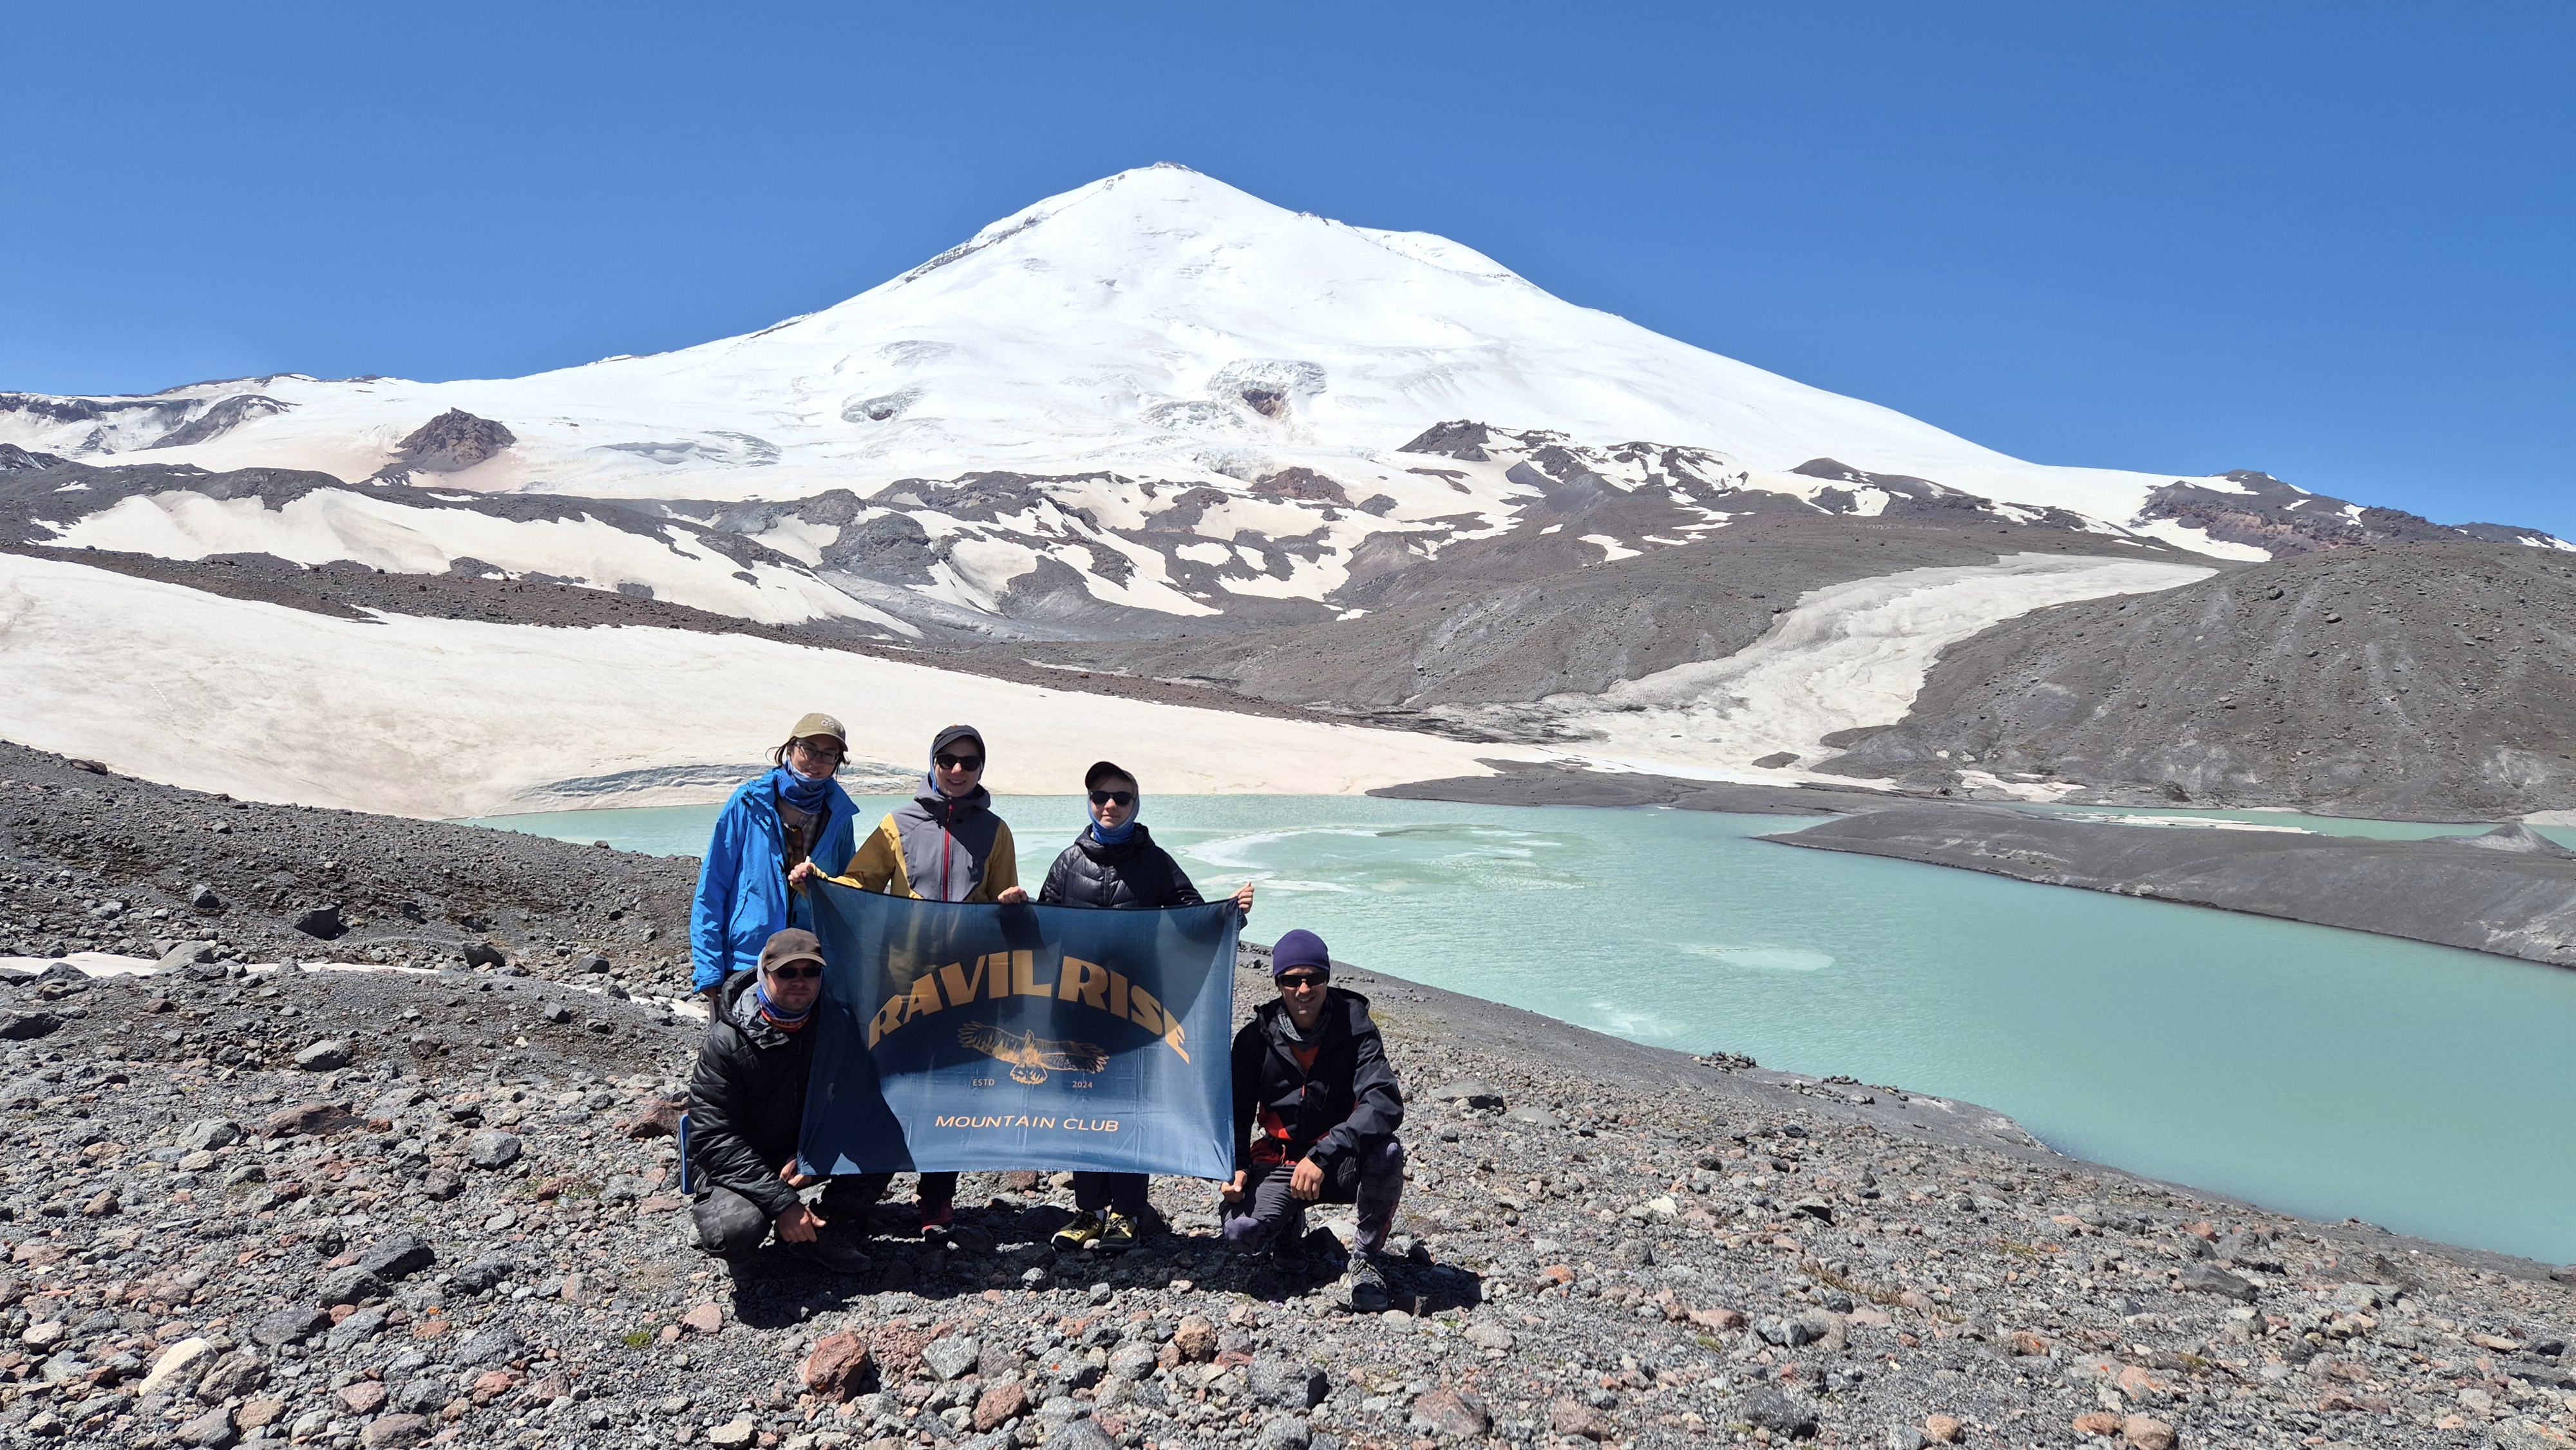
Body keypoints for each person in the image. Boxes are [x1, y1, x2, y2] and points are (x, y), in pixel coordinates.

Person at [792, 723, 1027, 1234]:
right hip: (902, 986)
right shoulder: (897, 824)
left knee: (952, 1092)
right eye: (948, 760)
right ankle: (855, 1195)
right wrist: (820, 884)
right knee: (887, 1088)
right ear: (933, 763)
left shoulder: (996, 831)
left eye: (969, 762)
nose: (958, 770)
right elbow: (860, 883)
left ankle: (937, 1198)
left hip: (967, 985)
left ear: (981, 769)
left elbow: (1001, 900)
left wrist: (1012, 903)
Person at [1038, 760, 1255, 1254]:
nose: (1110, 805)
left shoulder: (1155, 862)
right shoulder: (1068, 863)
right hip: (1074, 1010)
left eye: (1121, 797)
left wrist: (1229, 915)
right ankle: (1089, 1212)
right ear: (1089, 802)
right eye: (1100, 796)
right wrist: (1011, 909)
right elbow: (1041, 927)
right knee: (1083, 1108)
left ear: (1136, 805)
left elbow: (1193, 920)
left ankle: (1126, 1214)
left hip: (1133, 1011)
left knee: (1129, 1108)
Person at [1222, 928, 1405, 1311]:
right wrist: (1235, 1165)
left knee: (1387, 1152)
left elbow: (1384, 1100)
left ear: (1327, 978)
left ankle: (1365, 1260)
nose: (1304, 989)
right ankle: (1287, 1230)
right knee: (1242, 1233)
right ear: (1278, 983)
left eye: (1314, 978)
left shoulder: (1356, 1030)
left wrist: (1324, 1155)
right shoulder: (1254, 1040)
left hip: (1338, 1161)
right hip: (1280, 1160)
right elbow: (1235, 1113)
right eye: (1292, 980)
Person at [684, 928, 873, 1273]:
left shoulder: (837, 1026)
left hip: (802, 1150)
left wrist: (816, 1153)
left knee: (883, 1140)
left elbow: (857, 1103)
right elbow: (711, 1139)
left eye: (811, 971)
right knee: (734, 1231)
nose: (800, 981)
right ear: (764, 973)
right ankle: (750, 1235)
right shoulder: (725, 1042)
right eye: (787, 972)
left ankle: (825, 1228)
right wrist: (784, 1204)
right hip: (741, 1159)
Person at [688, 713, 860, 997]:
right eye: (809, 749)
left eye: (828, 755)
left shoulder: (839, 815)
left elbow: (845, 894)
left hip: (808, 965)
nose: (816, 761)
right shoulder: (747, 803)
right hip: (746, 961)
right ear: (790, 748)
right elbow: (713, 886)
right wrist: (709, 969)